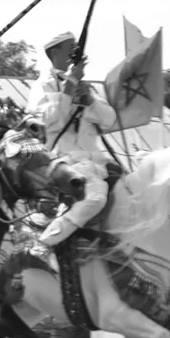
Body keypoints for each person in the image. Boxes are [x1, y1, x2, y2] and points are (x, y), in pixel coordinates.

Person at [27, 32, 116, 247]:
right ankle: (44, 244)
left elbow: (110, 120)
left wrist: (90, 101)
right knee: (96, 198)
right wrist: (69, 87)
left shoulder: (84, 86)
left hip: (93, 162)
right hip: (61, 162)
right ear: (54, 51)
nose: (75, 52)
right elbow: (49, 120)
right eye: (70, 47)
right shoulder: (43, 85)